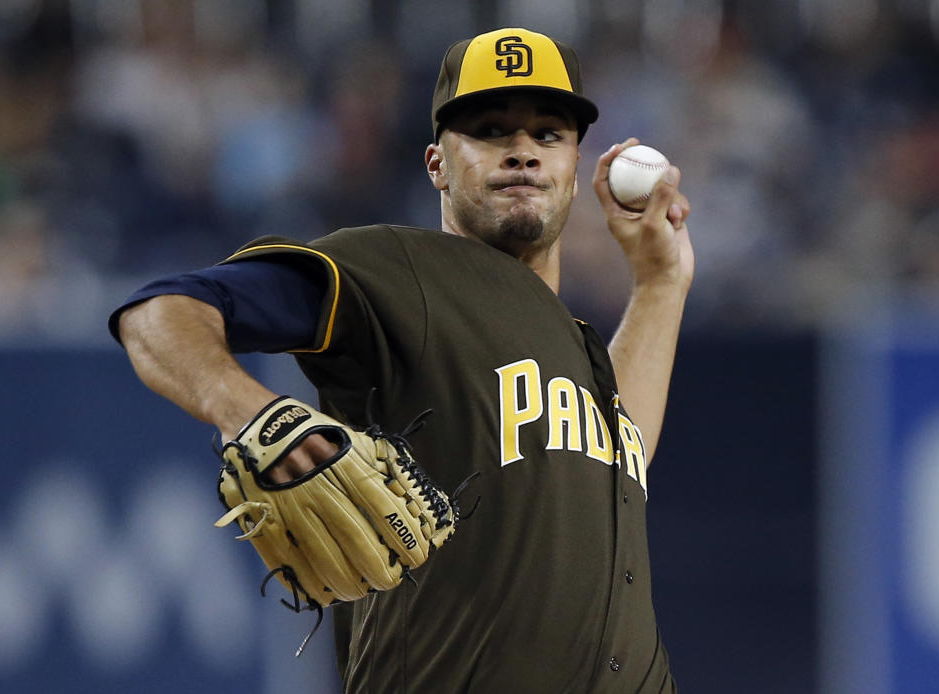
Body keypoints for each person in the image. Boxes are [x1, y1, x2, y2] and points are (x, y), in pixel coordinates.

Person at [111, 27, 692, 693]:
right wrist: (254, 415)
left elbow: (623, 457)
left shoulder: (574, 339)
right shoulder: (399, 270)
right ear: (437, 164)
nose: (523, 152)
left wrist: (660, 283)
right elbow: (159, 312)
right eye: (491, 130)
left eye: (547, 134)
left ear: (573, 165)